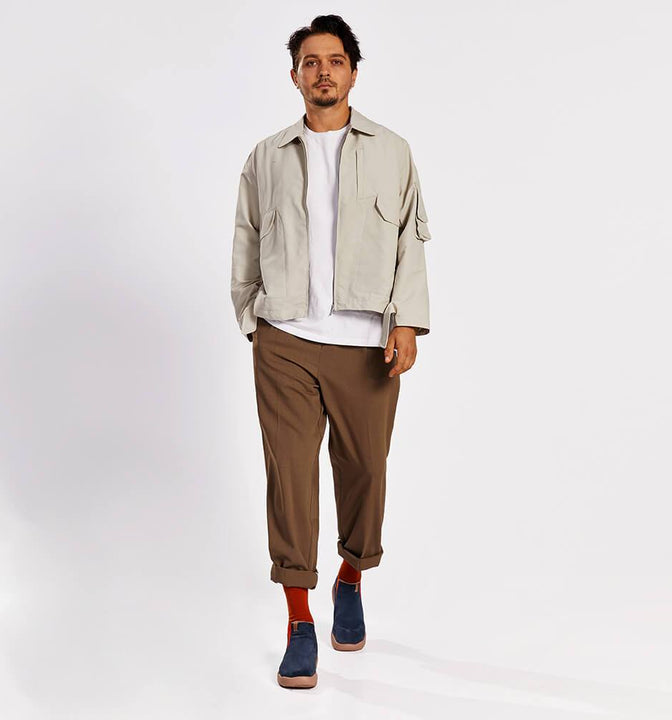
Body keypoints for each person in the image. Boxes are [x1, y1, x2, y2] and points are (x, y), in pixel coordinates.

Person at [230, 14, 432, 689]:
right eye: (311, 62)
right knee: (290, 478)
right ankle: (299, 621)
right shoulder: (267, 156)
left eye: (335, 61)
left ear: (353, 72)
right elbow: (245, 239)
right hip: (285, 341)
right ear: (295, 76)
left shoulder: (393, 151)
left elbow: (410, 242)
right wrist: (253, 321)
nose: (323, 71)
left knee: (366, 471)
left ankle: (351, 574)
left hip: (367, 345)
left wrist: (407, 323)